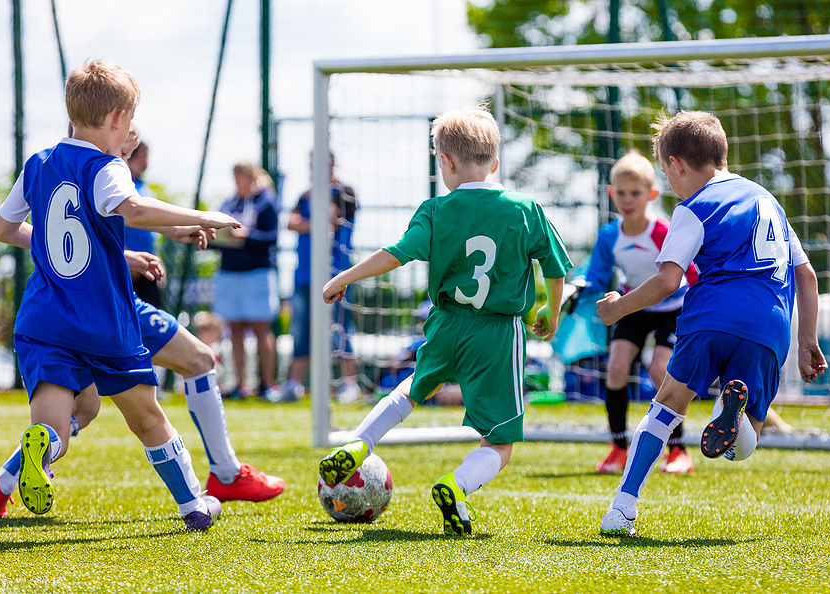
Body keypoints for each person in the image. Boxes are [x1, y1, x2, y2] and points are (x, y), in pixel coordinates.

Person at [0, 59, 241, 530]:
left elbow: (4, 228)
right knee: (148, 419)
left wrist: (85, 247)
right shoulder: (106, 166)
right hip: (102, 322)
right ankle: (194, 506)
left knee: (56, 427)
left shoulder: (39, 164)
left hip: (43, 322)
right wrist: (205, 217)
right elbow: (132, 207)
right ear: (118, 120)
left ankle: (40, 447)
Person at [317, 105, 572, 536]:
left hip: (446, 321)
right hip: (496, 332)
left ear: (445, 162)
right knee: (500, 442)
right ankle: (456, 487)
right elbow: (555, 268)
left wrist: (345, 275)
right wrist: (553, 308)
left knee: (414, 388)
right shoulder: (525, 208)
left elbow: (394, 254)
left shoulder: (434, 210)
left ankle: (360, 441)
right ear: (494, 163)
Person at [596, 110, 828, 537]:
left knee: (665, 408)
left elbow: (668, 280)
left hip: (713, 317)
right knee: (743, 445)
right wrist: (808, 340)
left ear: (677, 165)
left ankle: (622, 509)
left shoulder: (694, 207)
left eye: (667, 175)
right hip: (770, 328)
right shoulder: (769, 202)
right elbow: (807, 275)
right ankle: (733, 413)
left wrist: (617, 309)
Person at [582, 151, 698, 475]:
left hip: (673, 308)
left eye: (635, 193)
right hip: (632, 305)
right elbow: (595, 275)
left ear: (651, 195)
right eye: (621, 193)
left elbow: (691, 275)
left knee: (661, 371)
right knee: (616, 367)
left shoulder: (663, 231)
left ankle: (678, 451)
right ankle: (619, 447)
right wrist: (580, 288)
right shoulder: (608, 236)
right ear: (611, 193)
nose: (627, 199)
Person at [284, 153, 360, 402]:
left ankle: (349, 384)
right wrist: (314, 221)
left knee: (341, 329)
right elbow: (291, 223)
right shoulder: (305, 195)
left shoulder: (345, 191)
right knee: (302, 330)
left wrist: (312, 221)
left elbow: (332, 222)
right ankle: (292, 385)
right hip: (305, 276)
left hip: (337, 275)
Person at [212, 162, 281, 401]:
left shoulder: (266, 201)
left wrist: (247, 235)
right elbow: (215, 235)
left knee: (261, 329)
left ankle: (269, 385)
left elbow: (272, 237)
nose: (238, 180)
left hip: (257, 273)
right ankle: (239, 385)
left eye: (241, 175)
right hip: (229, 272)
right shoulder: (228, 204)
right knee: (235, 330)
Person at [123, 128, 162, 308]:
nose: (147, 161)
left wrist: (156, 258)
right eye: (144, 155)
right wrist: (127, 257)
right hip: (127, 265)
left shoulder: (142, 185)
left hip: (146, 264)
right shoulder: (120, 185)